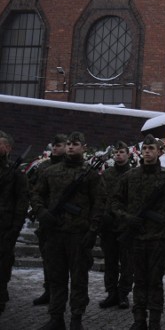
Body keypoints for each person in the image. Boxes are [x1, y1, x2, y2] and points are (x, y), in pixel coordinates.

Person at [31, 131, 104, 330]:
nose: (71, 147)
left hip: (78, 234)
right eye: (69, 144)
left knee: (79, 279)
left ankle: (76, 319)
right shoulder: (50, 171)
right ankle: (56, 318)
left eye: (76, 144)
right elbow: (36, 195)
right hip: (54, 233)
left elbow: (99, 204)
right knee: (56, 278)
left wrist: (92, 230)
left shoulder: (90, 175)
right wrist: (42, 212)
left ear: (84, 147)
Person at [113, 134, 165, 330]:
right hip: (136, 238)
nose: (148, 152)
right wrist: (127, 218)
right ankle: (139, 319)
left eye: (152, 149)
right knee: (139, 281)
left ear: (159, 152)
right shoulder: (130, 177)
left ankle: (155, 321)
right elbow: (115, 202)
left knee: (155, 282)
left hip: (158, 238)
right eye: (145, 149)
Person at [30, 133, 67, 307]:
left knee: (63, 262)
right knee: (48, 258)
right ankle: (48, 289)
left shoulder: (71, 167)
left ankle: (60, 292)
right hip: (46, 218)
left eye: (59, 145)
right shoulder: (43, 167)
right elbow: (35, 192)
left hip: (66, 222)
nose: (55, 148)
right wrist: (40, 211)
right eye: (54, 145)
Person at [98, 141, 133, 310]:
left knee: (126, 263)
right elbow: (101, 197)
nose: (118, 154)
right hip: (108, 225)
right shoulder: (107, 174)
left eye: (121, 152)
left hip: (125, 225)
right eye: (116, 152)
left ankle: (123, 294)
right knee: (110, 262)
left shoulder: (133, 175)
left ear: (128, 154)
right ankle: (111, 293)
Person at [0, 130, 29, 316]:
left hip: (4, 228)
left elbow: (21, 205)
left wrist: (14, 231)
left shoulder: (16, 174)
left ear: (8, 148)